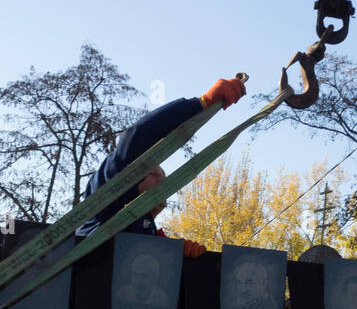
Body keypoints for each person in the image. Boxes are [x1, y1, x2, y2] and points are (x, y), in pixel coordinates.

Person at [75, 76, 247, 250]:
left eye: (163, 178)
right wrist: (201, 104)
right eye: (154, 174)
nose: (163, 183)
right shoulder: (102, 202)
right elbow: (139, 136)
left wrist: (180, 258)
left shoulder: (148, 236)